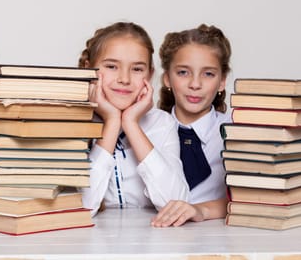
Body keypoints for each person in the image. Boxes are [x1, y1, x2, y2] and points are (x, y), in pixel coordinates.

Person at [79, 22, 189, 217]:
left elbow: (175, 203)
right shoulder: (72, 122)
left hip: (151, 241)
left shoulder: (162, 123)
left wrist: (130, 123)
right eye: (112, 66)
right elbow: (83, 208)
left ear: (150, 74)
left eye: (137, 69)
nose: (125, 79)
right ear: (89, 69)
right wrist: (112, 122)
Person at [151, 24, 232, 227]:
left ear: (222, 81)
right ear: (167, 78)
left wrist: (201, 210)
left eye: (208, 74)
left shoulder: (236, 132)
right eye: (183, 72)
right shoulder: (147, 130)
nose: (195, 84)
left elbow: (254, 199)